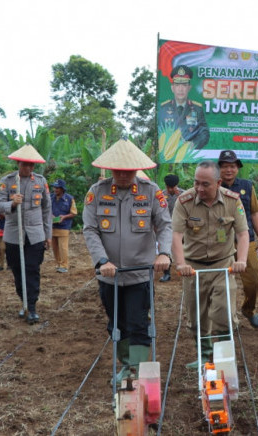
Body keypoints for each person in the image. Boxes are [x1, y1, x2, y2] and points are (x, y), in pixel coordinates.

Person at [82, 139, 172, 383]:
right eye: (117, 170)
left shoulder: (151, 191)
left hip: (140, 273)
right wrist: (101, 260)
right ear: (111, 169)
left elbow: (164, 225)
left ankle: (138, 370)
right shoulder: (97, 192)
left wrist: (164, 253)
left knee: (138, 322)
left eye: (128, 170)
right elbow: (90, 229)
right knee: (116, 323)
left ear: (135, 169)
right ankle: (124, 364)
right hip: (109, 274)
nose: (122, 174)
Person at [172, 161, 248, 369]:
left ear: (218, 183)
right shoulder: (184, 201)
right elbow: (176, 235)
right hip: (193, 268)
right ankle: (204, 356)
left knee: (223, 314)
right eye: (196, 183)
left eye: (205, 184)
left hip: (223, 265)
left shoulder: (233, 201)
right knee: (197, 318)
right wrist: (180, 264)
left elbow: (242, 233)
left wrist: (241, 260)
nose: (199, 189)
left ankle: (224, 358)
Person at [0, 144, 52, 324]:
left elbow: (46, 209)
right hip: (14, 234)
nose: (27, 168)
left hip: (35, 234)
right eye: (24, 165)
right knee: (18, 271)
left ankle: (32, 307)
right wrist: (11, 204)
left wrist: (48, 235)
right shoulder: (8, 181)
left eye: (31, 165)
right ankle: (24, 301)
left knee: (32, 269)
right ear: (18, 164)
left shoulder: (41, 182)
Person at [218, 149, 258, 328]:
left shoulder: (247, 186)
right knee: (221, 283)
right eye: (224, 167)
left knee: (254, 278)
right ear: (219, 169)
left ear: (237, 168)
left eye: (232, 166)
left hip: (247, 240)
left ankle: (249, 309)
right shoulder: (212, 186)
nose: (228, 170)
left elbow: (254, 213)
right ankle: (227, 318)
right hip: (220, 242)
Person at [159, 65, 210, 149]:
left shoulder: (197, 109)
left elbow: (204, 133)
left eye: (184, 85)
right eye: (177, 85)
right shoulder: (164, 108)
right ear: (172, 88)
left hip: (190, 156)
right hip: (168, 154)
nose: (180, 89)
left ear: (189, 88)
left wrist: (193, 144)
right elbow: (160, 131)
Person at [159, 174, 184, 282]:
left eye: (172, 187)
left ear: (176, 185)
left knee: (185, 248)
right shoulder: (161, 195)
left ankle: (185, 269)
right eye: (168, 187)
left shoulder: (184, 195)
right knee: (166, 249)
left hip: (182, 228)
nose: (170, 189)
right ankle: (167, 273)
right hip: (168, 227)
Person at [50, 179, 77, 274]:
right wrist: (50, 215)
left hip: (64, 226)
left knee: (63, 247)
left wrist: (64, 217)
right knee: (55, 247)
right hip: (52, 226)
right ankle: (58, 264)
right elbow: (45, 209)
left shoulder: (69, 199)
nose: (55, 189)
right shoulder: (51, 197)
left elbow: (74, 213)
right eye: (54, 187)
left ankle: (64, 265)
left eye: (57, 188)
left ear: (62, 189)